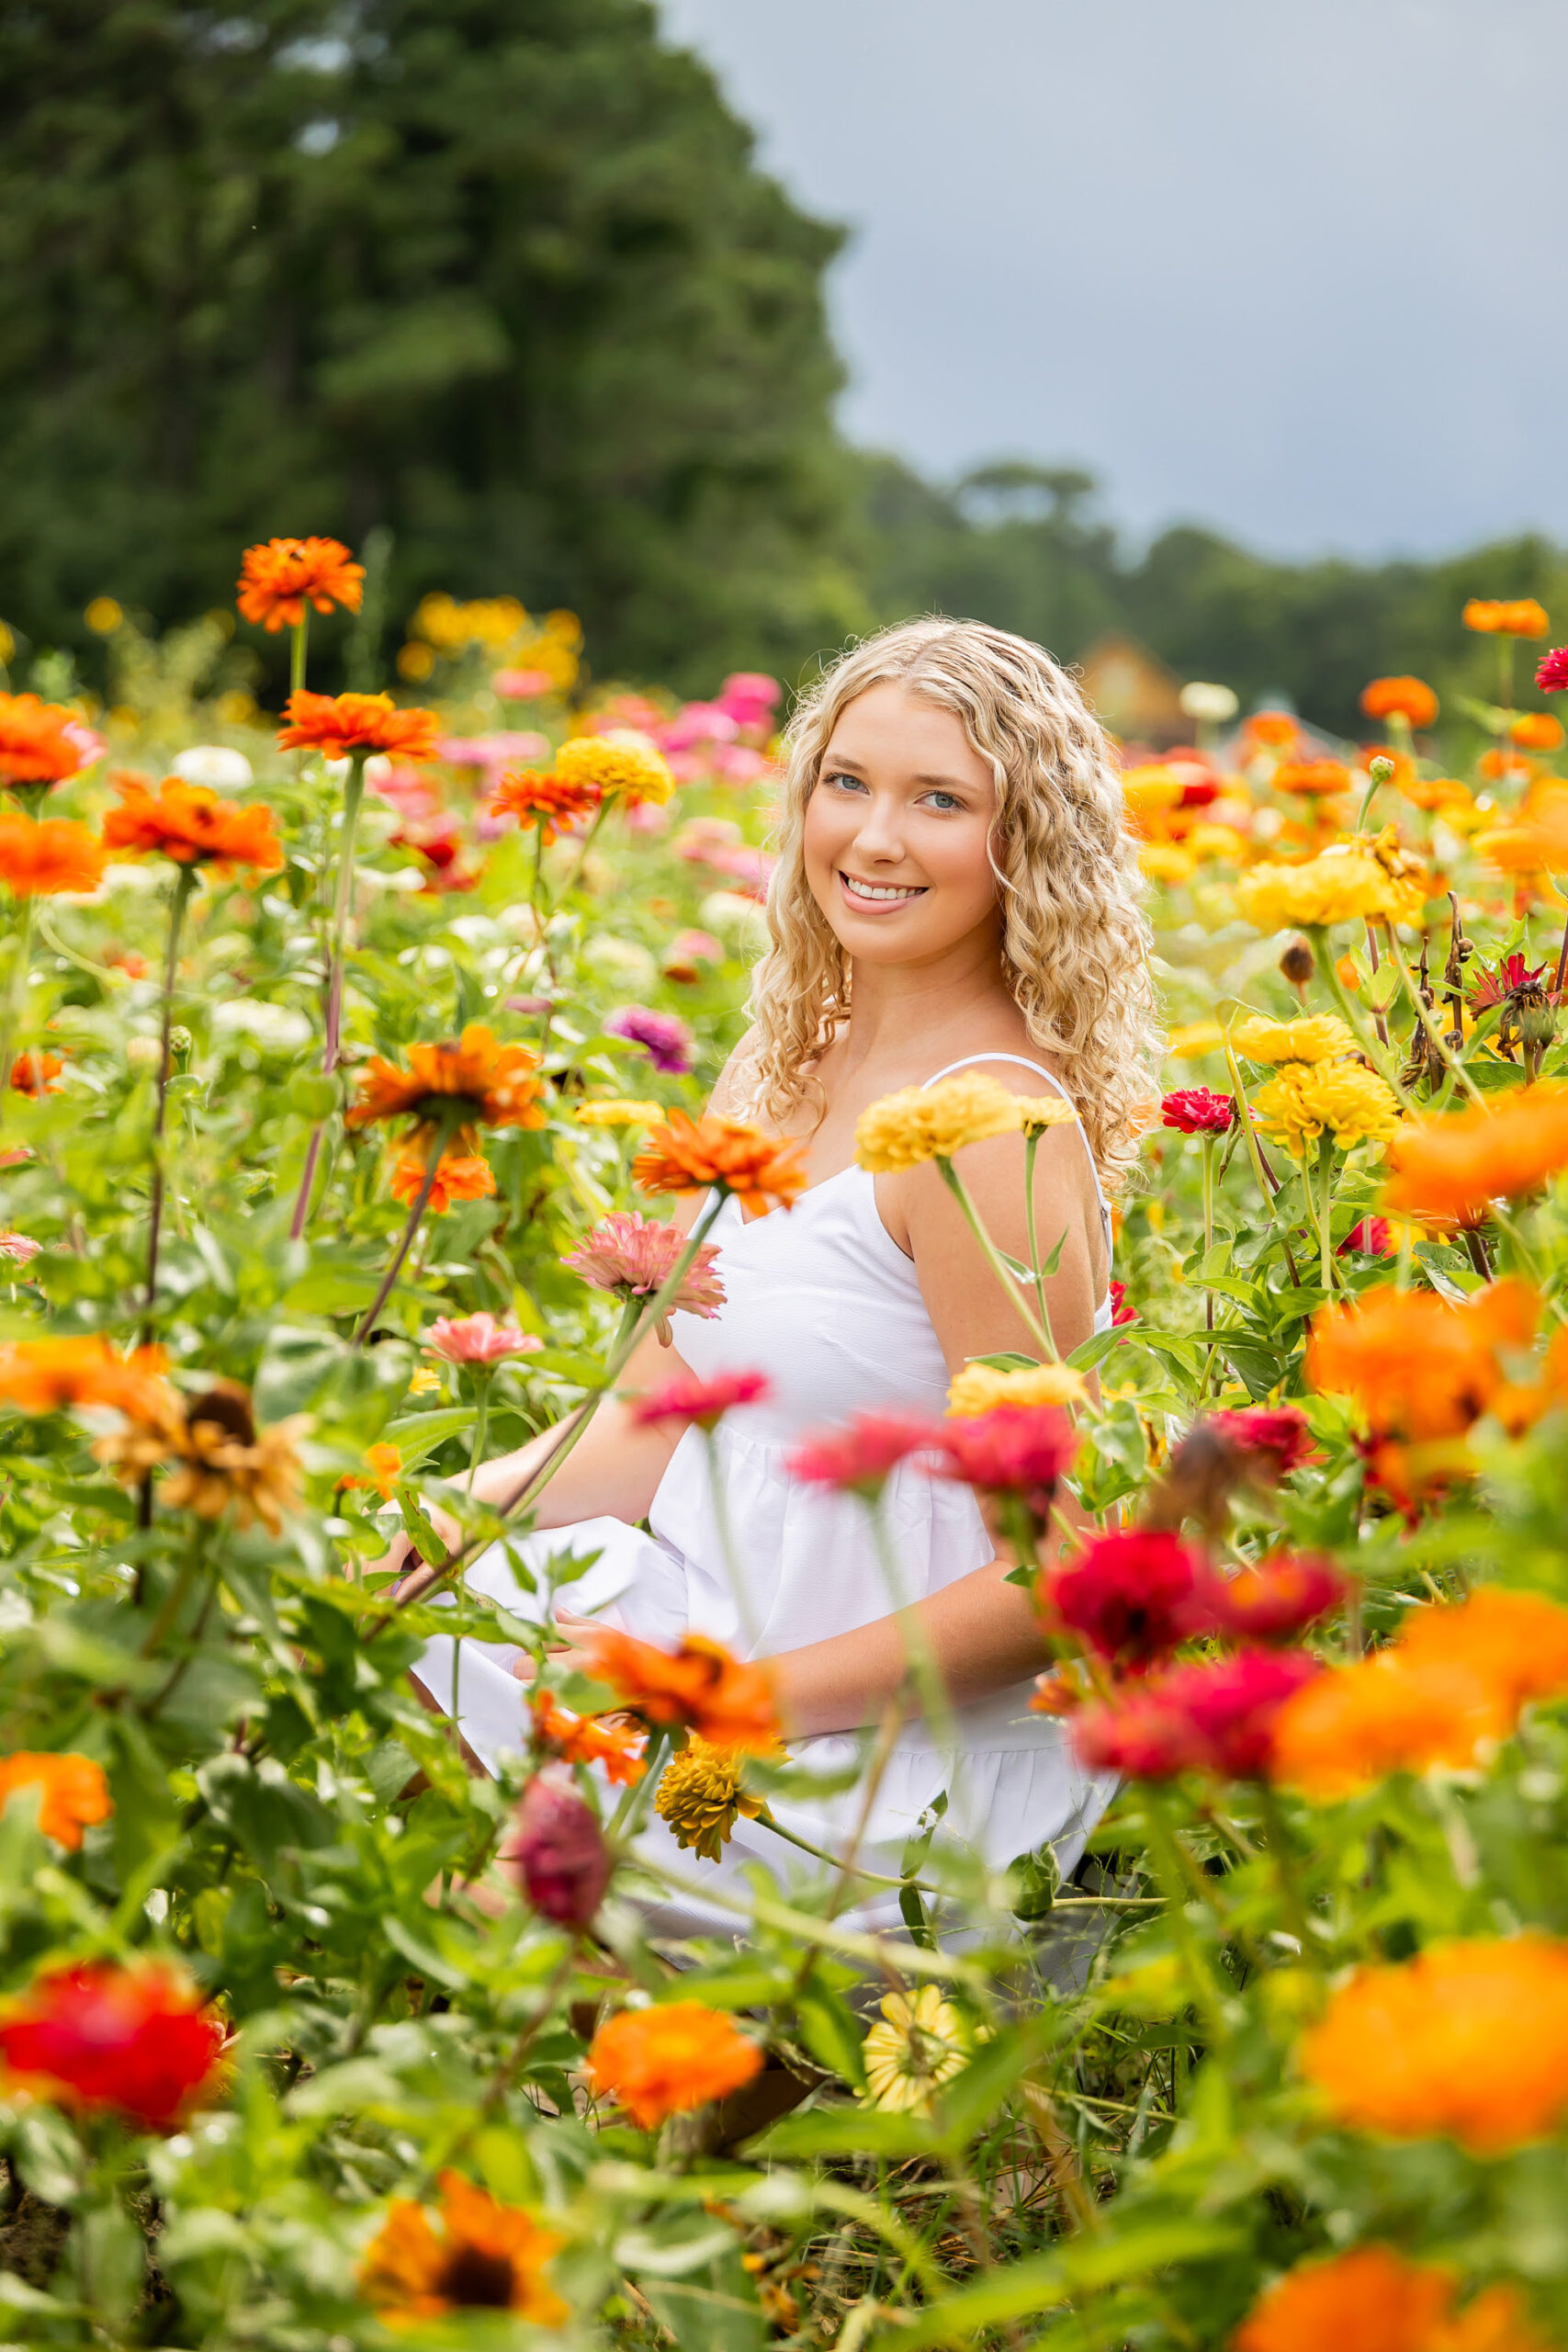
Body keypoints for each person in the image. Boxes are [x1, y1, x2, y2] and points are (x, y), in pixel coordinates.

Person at [404, 616, 1159, 1934]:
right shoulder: (780, 1070)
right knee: (395, 1614)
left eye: (939, 800)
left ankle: (677, 2050)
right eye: (847, 782)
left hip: (886, 1750)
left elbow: (1052, 1575)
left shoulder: (991, 1132)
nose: (872, 838)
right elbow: (652, 1426)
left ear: (1022, 847)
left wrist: (706, 1703)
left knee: (453, 1875)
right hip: (723, 1626)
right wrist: (416, 1531)